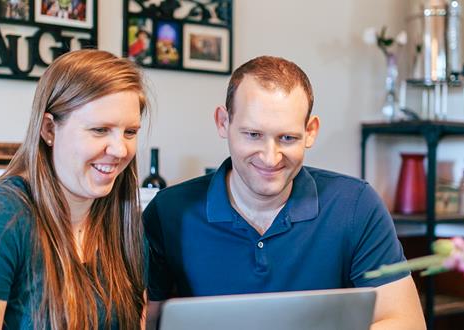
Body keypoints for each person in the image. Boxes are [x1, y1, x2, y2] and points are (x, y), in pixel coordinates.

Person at [144, 56, 425, 329]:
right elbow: (146, 321)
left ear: (310, 131)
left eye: (287, 138)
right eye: (253, 135)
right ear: (223, 122)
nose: (270, 157)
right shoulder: (168, 211)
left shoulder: (355, 206)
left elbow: (406, 322)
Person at [0, 50, 148, 329]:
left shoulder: (125, 224)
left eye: (130, 132)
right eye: (100, 130)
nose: (120, 149)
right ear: (49, 129)